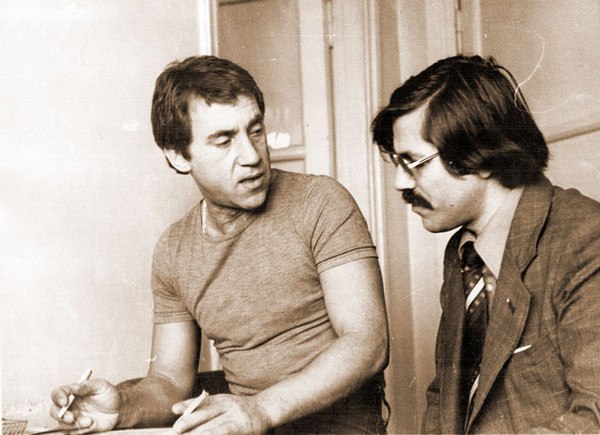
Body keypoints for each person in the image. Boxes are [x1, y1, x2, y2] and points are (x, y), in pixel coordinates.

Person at [49, 55, 389, 434]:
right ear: (179, 156)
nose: (252, 156)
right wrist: (123, 407)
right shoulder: (173, 250)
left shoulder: (321, 201)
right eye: (224, 140)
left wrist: (260, 410)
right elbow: (169, 380)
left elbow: (367, 342)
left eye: (255, 131)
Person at [372, 54, 600, 433]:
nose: (400, 182)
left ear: (480, 155)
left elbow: (595, 417)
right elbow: (445, 400)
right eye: (397, 163)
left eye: (414, 162)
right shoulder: (463, 253)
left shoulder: (584, 239)